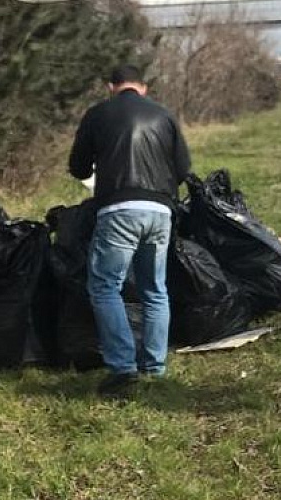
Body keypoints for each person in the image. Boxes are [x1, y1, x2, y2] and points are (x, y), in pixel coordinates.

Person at [68, 65, 191, 396]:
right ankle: (154, 367)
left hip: (120, 209)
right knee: (155, 288)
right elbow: (183, 169)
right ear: (144, 88)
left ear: (111, 87)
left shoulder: (98, 114)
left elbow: (77, 167)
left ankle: (123, 367)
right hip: (161, 211)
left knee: (106, 286)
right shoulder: (164, 115)